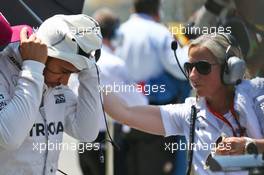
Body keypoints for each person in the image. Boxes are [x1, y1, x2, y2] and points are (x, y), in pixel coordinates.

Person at [104, 33, 264, 175]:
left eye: (202, 67)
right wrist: (91, 77)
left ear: (230, 68)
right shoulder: (190, 113)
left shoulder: (258, 96)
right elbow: (125, 113)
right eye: (189, 67)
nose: (193, 76)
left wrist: (251, 146)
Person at [0, 14, 102, 174]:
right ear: (44, 53)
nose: (65, 82)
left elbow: (86, 132)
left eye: (73, 73)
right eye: (63, 71)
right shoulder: (3, 66)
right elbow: (9, 137)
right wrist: (33, 67)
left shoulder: (53, 79)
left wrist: (90, 72)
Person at [68, 8, 148, 175]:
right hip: (108, 139)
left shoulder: (80, 58)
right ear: (114, 33)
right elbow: (139, 102)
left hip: (83, 140)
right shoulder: (115, 64)